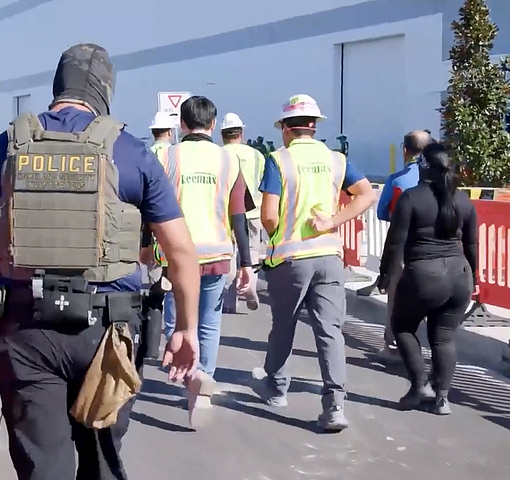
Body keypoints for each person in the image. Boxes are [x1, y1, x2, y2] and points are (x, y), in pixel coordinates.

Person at [0, 43, 201, 480]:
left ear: (57, 87)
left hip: (26, 330)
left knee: (43, 475)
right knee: (103, 463)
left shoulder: (4, 147)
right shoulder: (131, 151)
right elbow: (181, 253)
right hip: (109, 336)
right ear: (105, 91)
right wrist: (187, 329)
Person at [252, 94, 376, 431]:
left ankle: (276, 388)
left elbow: (268, 216)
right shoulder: (336, 159)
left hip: (291, 259)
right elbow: (366, 194)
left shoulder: (279, 160)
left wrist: (278, 233)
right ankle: (335, 406)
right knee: (330, 331)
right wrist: (333, 221)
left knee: (284, 325)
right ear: (314, 127)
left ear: (285, 129)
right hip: (329, 256)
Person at [153, 96, 253, 429]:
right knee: (209, 320)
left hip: (177, 254)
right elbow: (238, 215)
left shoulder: (167, 156)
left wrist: (145, 246)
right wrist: (246, 263)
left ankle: (188, 373)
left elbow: (150, 205)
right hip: (216, 253)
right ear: (213, 124)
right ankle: (203, 376)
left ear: (181, 124)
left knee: (177, 316)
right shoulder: (228, 160)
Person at [377, 142, 478, 415]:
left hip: (423, 274)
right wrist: (475, 277)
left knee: (403, 327)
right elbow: (471, 245)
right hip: (459, 276)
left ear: (424, 167)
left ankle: (419, 387)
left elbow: (395, 243)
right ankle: (442, 397)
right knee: (444, 338)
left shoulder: (411, 198)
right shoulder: (463, 200)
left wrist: (385, 275)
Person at [375, 130, 431, 360]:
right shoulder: (443, 181)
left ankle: (393, 346)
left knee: (396, 297)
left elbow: (382, 212)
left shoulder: (398, 180)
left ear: (405, 150)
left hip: (404, 246)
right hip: (436, 248)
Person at [220, 112, 265, 313]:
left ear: (223, 135)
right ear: (241, 133)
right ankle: (250, 285)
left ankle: (230, 300)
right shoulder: (256, 155)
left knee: (229, 254)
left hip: (229, 213)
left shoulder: (220, 155)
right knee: (252, 251)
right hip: (254, 211)